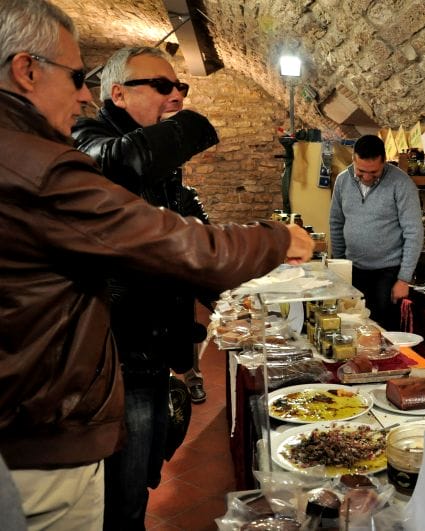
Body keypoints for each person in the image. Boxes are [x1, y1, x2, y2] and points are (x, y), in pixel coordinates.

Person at [0, 2, 313, 529]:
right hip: (78, 389)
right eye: (76, 77)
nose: (82, 94)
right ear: (27, 70)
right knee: (122, 502)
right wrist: (276, 239)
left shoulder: (43, 154)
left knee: (136, 484)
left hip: (121, 363)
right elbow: (166, 231)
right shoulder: (69, 150)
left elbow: (185, 230)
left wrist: (232, 299)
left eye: (182, 88)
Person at [70, 45, 216, 529]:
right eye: (161, 86)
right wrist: (193, 123)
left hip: (153, 350)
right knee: (123, 494)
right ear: (116, 94)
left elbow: (188, 242)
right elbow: (121, 162)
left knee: (145, 472)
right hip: (116, 356)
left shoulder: (162, 169)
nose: (176, 95)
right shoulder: (88, 139)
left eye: (180, 87)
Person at [329, 135, 423, 331]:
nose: (367, 177)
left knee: (384, 331)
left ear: (384, 161)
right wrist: (340, 266)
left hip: (388, 273)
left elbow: (414, 232)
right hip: (353, 269)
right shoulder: (342, 181)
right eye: (361, 171)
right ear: (353, 159)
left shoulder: (402, 183)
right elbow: (336, 223)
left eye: (374, 172)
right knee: (352, 327)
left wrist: (404, 279)